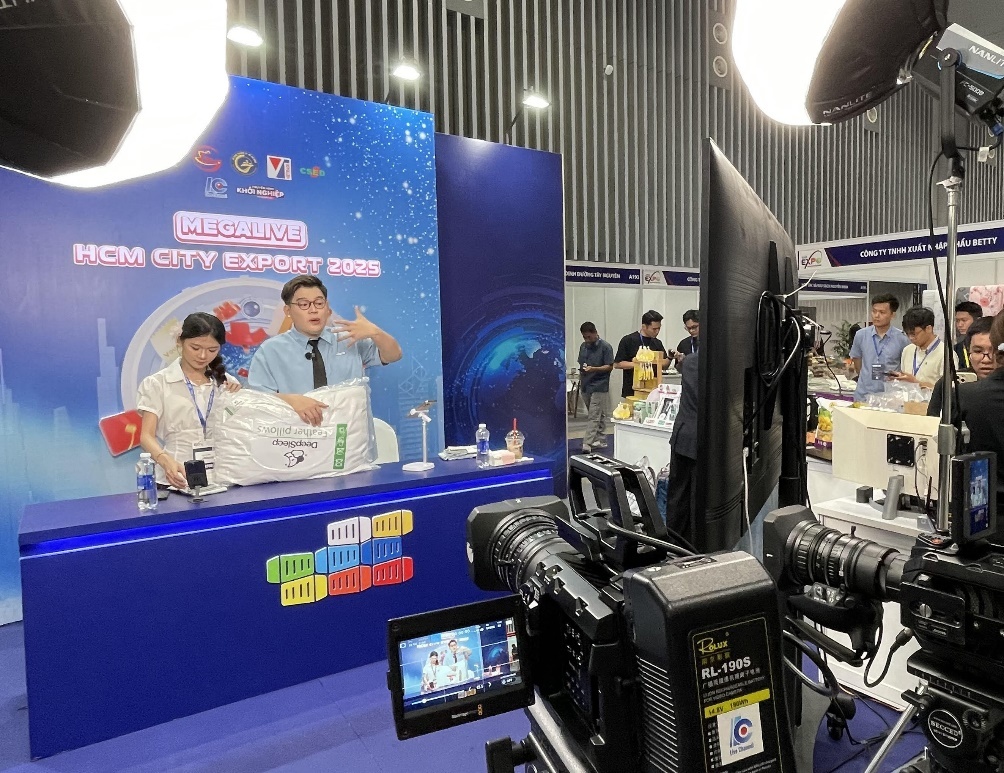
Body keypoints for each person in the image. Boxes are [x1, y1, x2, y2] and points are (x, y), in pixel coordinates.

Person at [247, 275, 402, 425]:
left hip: (348, 434)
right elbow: (256, 400)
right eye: (304, 304)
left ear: (327, 307)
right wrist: (291, 400)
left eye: (319, 303)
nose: (313, 310)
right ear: (288, 311)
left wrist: (376, 333)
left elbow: (394, 355)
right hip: (296, 435)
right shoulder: (271, 350)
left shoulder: (349, 338)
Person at [137, 312, 241, 489]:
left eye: (212, 350)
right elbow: (146, 436)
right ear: (180, 341)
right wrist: (165, 460)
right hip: (175, 477)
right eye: (195, 347)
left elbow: (239, 430)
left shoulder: (228, 383)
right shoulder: (157, 383)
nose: (203, 356)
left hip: (222, 478)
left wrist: (240, 400)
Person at [928, 312, 1004, 494]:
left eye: (991, 350)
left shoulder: (964, 395)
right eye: (977, 351)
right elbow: (932, 437)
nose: (986, 358)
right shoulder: (950, 387)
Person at [927, 316, 997, 415]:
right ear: (969, 353)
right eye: (978, 351)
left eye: (994, 351)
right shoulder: (948, 383)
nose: (986, 359)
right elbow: (933, 420)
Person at [849, 293, 910, 402]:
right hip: (863, 395)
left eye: (882, 312)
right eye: (874, 311)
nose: (876, 315)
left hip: (889, 398)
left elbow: (906, 368)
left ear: (892, 315)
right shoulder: (861, 335)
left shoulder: (902, 339)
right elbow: (857, 361)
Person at [666, 350, 698, 546]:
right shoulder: (722, 366)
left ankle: (673, 543)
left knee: (677, 494)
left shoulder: (690, 362)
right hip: (704, 440)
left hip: (682, 435)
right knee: (697, 498)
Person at [892, 306, 954, 390]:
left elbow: (949, 391)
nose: (910, 338)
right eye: (907, 334)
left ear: (928, 328)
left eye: (913, 334)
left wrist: (917, 383)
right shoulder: (907, 350)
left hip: (932, 399)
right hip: (909, 398)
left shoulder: (946, 354)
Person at [577, 322, 614, 452]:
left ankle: (587, 443)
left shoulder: (606, 347)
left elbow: (610, 366)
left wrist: (594, 369)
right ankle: (601, 439)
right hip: (586, 384)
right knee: (597, 413)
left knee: (594, 415)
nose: (587, 340)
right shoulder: (583, 347)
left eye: (588, 337)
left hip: (599, 385)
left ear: (595, 333)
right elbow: (581, 363)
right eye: (584, 337)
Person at [614, 310, 668, 398]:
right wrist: (639, 364)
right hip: (632, 390)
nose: (657, 331)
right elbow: (617, 364)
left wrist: (670, 357)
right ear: (644, 326)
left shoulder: (657, 343)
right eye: (654, 329)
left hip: (653, 390)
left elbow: (664, 365)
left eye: (659, 328)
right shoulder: (628, 340)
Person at [954, 300, 984, 372]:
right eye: (957, 321)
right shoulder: (956, 349)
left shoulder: (989, 344)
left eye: (964, 320)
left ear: (977, 320)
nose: (960, 325)